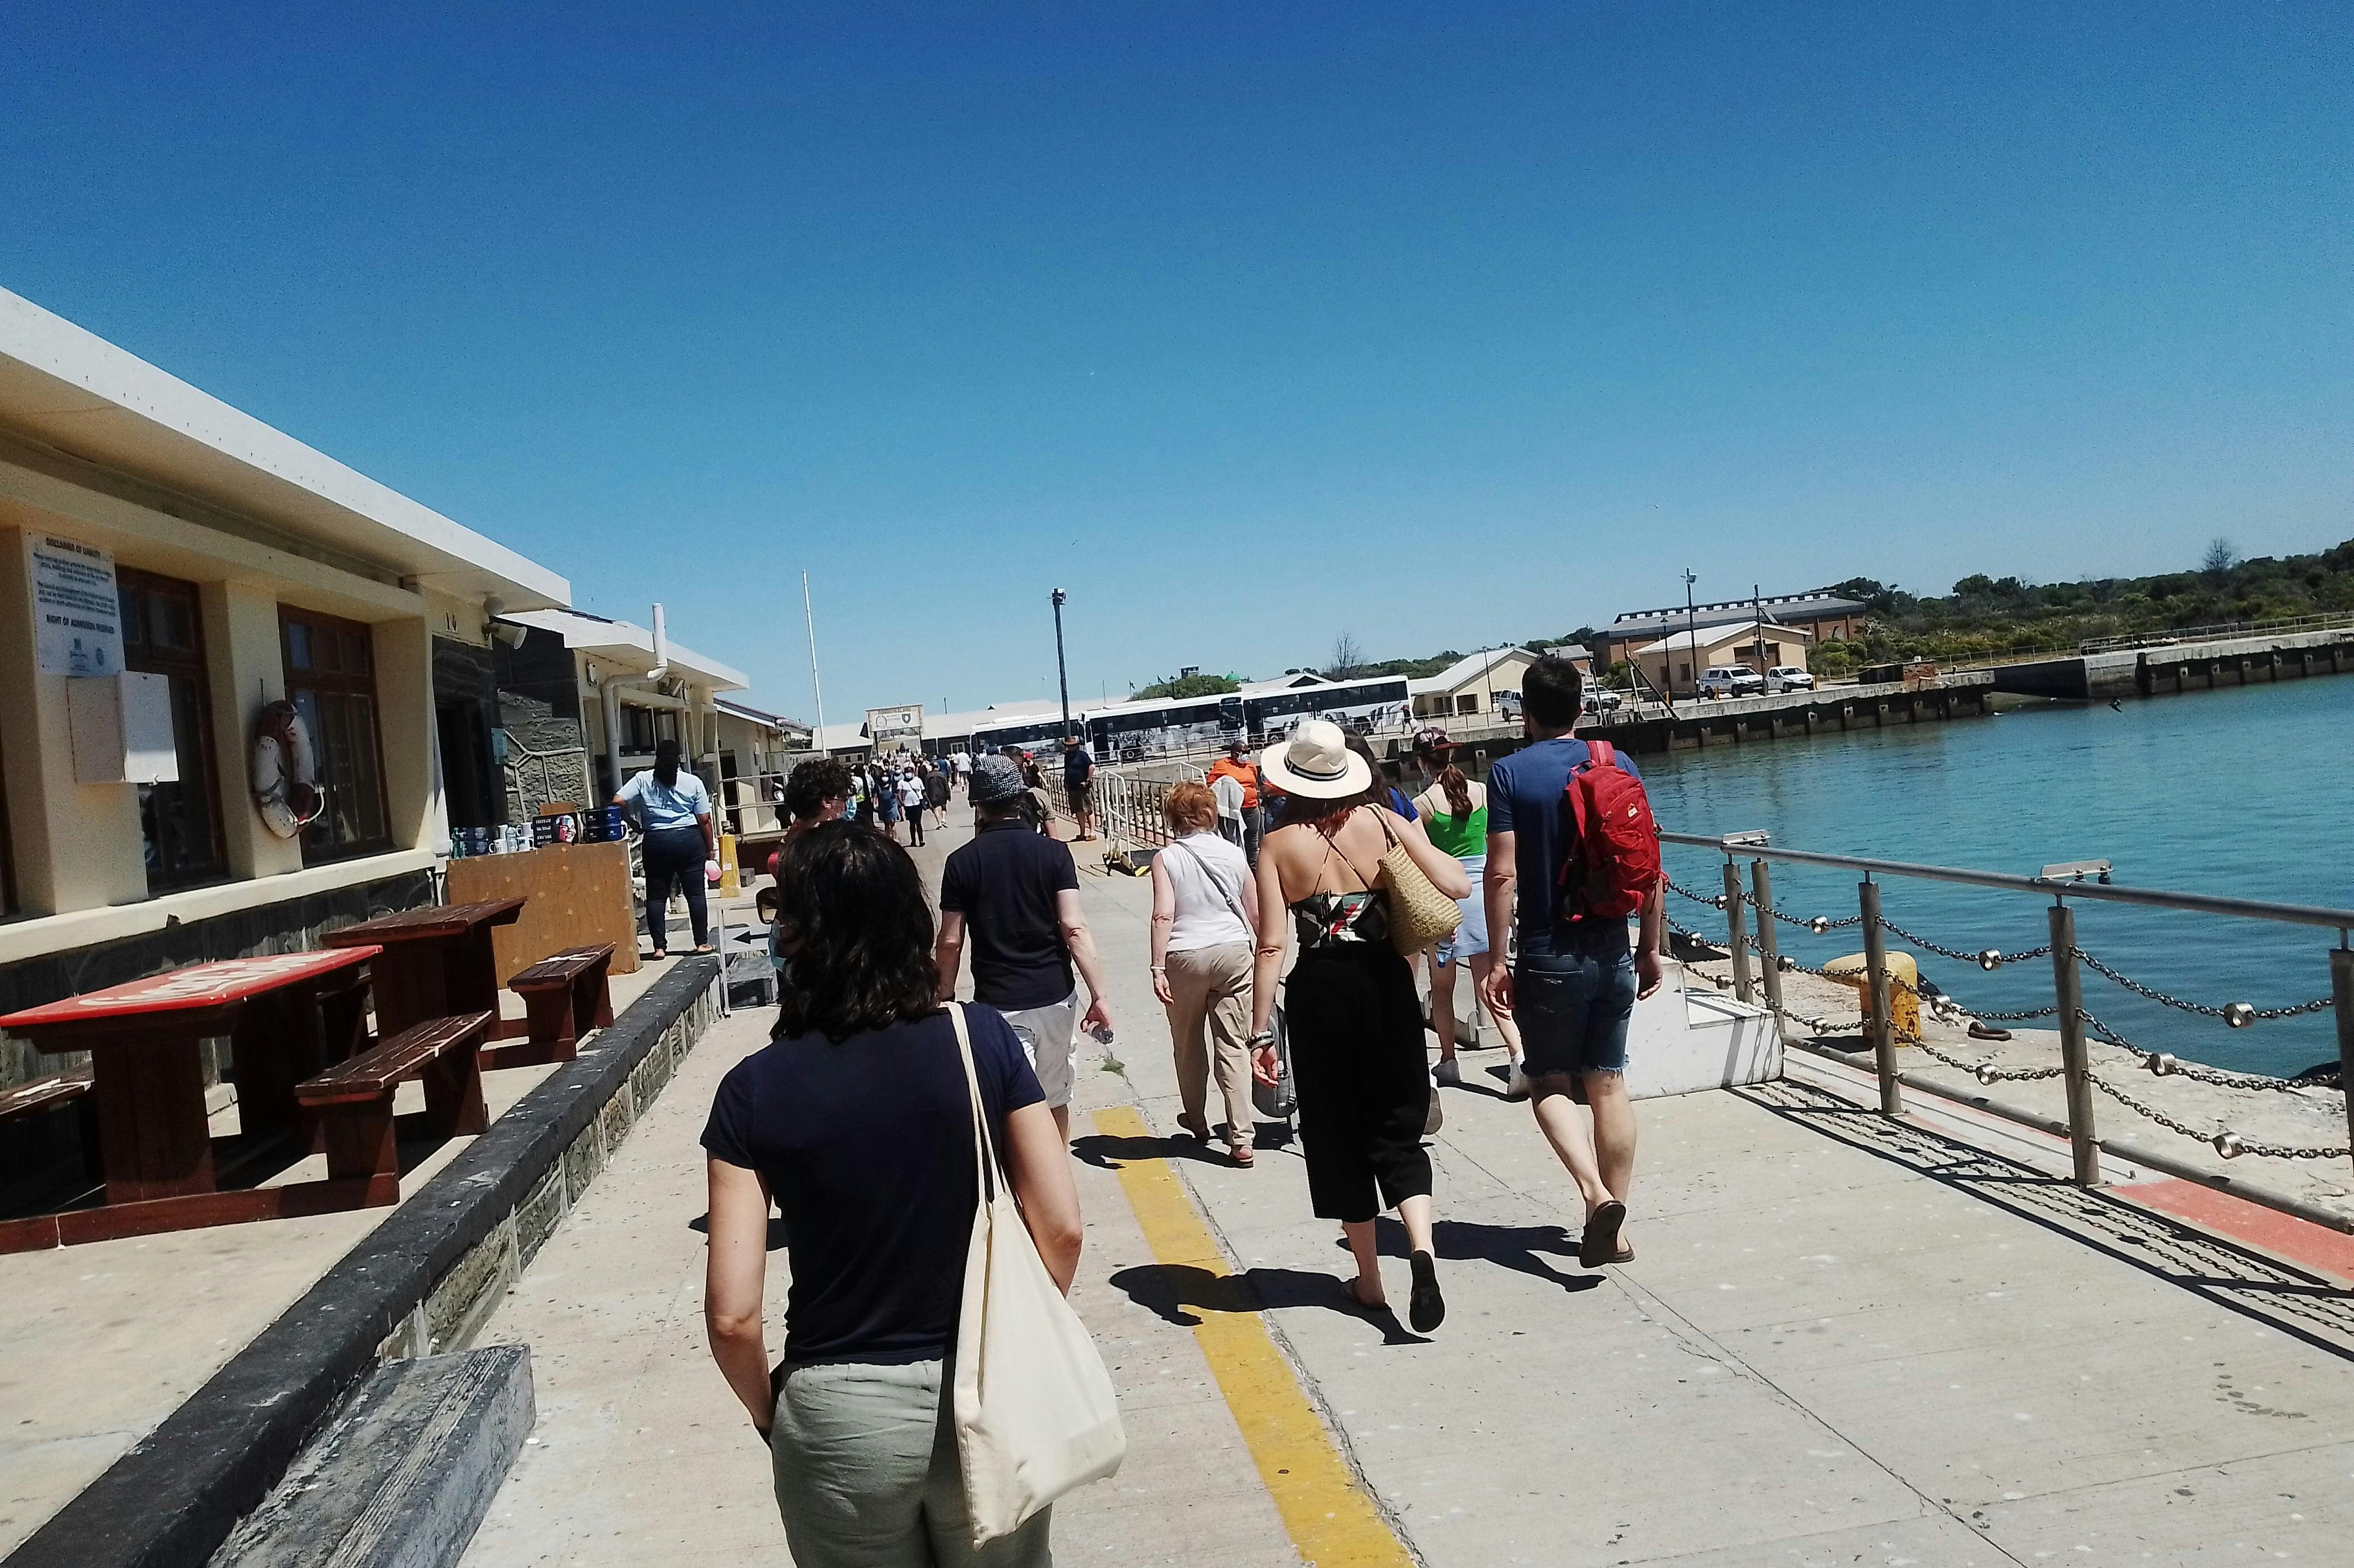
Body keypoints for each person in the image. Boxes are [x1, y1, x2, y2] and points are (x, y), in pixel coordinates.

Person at [703, 823, 1082, 1567]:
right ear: (909, 923)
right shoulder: (983, 1041)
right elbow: (1062, 1228)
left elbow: (733, 1316)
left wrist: (771, 1415)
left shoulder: (751, 1091)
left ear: (801, 939)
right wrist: (1014, 1341)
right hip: (985, 1384)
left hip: (840, 1412)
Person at [1247, 719, 1469, 1331]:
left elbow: (1270, 947)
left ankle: (1370, 1282)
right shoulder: (1385, 820)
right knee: (1397, 1124)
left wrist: (1260, 1030)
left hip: (1319, 991)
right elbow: (1456, 883)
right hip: (1384, 984)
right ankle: (1420, 1250)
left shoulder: (1275, 844)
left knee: (1337, 1132)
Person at [1480, 655, 1666, 1270]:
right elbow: (1647, 861)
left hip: (1547, 948)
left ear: (1524, 713)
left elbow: (1503, 872)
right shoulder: (1617, 762)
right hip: (1612, 943)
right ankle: (1612, 1225)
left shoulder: (1508, 774)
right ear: (1581, 709)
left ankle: (1594, 1194)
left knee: (1548, 1081)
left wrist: (1499, 958)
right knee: (1609, 1082)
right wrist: (1649, 946)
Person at [937, 754, 1116, 1141]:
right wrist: (1098, 995)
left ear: (978, 803)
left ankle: (1024, 1191)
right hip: (1055, 996)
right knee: (1054, 1098)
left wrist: (945, 994)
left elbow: (950, 941)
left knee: (1014, 1105)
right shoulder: (1054, 854)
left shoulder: (961, 863)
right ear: (1021, 798)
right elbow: (1074, 927)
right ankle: (1058, 1186)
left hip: (999, 1002)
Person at [1409, 729, 1528, 1098]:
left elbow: (1424, 861)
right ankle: (1512, 1053)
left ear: (1420, 763)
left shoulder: (1423, 804)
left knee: (1441, 989)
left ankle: (1455, 1059)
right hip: (1486, 896)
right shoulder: (1482, 792)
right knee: (1488, 978)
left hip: (1447, 896)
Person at [1148, 781, 1259, 1167]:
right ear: (1211, 813)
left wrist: (1157, 965)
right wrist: (1265, 954)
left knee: (1188, 1042)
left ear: (1173, 817)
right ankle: (1242, 1137)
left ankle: (1197, 1120)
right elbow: (1255, 911)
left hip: (1184, 955)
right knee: (1233, 1044)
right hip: (1232, 950)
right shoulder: (1234, 853)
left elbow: (1164, 913)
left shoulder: (1166, 858)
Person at [614, 737, 716, 959]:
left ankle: (659, 947)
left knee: (656, 897)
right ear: (679, 758)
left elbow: (618, 801)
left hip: (656, 842)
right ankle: (701, 943)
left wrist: (632, 823)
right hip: (689, 841)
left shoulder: (643, 779)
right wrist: (710, 848)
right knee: (695, 894)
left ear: (657, 757)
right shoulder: (693, 782)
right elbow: (704, 820)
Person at [1205, 739, 1263, 865]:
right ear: (1235, 753)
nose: (1247, 754)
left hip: (1252, 808)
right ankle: (1235, 866)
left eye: (1248, 751)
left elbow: (1255, 784)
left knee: (1253, 841)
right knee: (1232, 841)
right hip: (1233, 811)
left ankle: (1253, 869)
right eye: (1244, 752)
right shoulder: (1222, 765)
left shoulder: (1251, 766)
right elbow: (1211, 784)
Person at [1062, 735, 1096, 841]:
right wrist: (1066, 782)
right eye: (1069, 746)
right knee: (1078, 811)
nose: (1070, 748)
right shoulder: (1067, 756)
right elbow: (1067, 770)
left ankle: (1092, 832)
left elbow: (1092, 766)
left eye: (1072, 746)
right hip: (1072, 787)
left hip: (1083, 787)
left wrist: (1088, 780)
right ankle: (1082, 833)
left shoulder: (1082, 755)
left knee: (1088, 810)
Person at [899, 765, 929, 847]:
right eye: (907, 772)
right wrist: (902, 802)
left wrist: (928, 801)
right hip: (908, 806)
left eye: (910, 772)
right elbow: (899, 793)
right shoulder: (902, 782)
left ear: (913, 772)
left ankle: (921, 840)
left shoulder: (918, 780)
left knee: (918, 823)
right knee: (912, 824)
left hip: (917, 805)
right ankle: (913, 841)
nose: (908, 774)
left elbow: (923, 792)